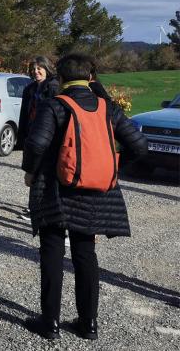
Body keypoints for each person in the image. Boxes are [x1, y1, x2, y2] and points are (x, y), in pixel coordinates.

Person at [21, 52, 147, 341]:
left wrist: (29, 171)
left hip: (54, 189)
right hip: (94, 191)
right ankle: (88, 324)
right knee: (85, 253)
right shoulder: (107, 108)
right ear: (91, 78)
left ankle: (49, 323)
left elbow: (37, 143)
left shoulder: (54, 105)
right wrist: (114, 167)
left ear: (61, 78)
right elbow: (139, 146)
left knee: (52, 252)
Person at [18, 56, 60, 149]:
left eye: (39, 68)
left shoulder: (54, 87)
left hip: (47, 134)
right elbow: (24, 114)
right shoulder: (29, 89)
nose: (35, 71)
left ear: (46, 69)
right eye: (33, 69)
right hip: (31, 132)